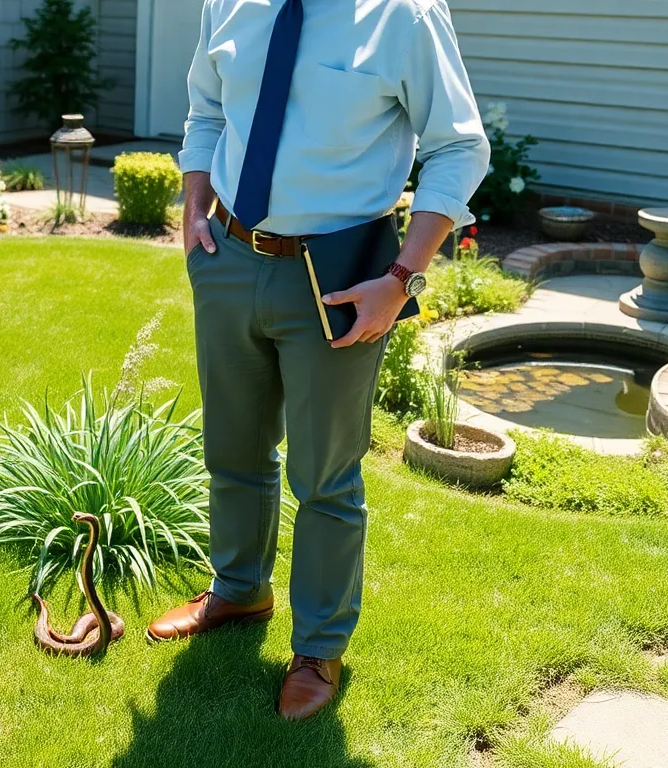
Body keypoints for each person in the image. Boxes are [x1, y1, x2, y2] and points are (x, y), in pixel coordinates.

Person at [145, 0, 490, 720]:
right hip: (231, 258)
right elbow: (207, 108)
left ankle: (319, 648)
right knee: (232, 448)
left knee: (325, 475)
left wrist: (400, 281)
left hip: (339, 278)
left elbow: (459, 146)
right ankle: (239, 590)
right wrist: (193, 208)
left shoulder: (404, 14)